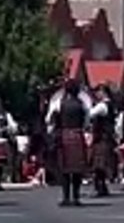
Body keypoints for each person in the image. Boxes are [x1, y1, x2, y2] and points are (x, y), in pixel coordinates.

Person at [48, 79, 89, 207]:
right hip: (77, 134)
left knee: (65, 169)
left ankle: (66, 197)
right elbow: (86, 121)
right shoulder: (82, 104)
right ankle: (76, 197)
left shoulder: (59, 103)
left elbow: (49, 119)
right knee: (77, 169)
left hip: (64, 135)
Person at [88, 85, 117, 199]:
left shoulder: (102, 106)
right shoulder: (109, 105)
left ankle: (100, 187)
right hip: (106, 136)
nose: (96, 94)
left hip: (102, 137)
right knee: (100, 164)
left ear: (103, 92)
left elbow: (90, 114)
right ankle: (101, 187)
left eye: (98, 92)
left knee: (99, 164)